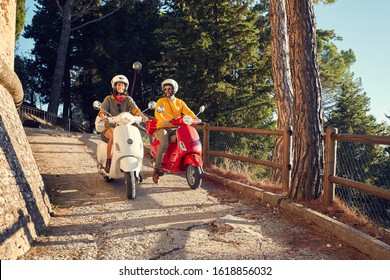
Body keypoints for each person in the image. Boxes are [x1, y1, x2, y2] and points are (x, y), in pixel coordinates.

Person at [99, 74, 148, 173]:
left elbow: (134, 108)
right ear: (114, 86)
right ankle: (108, 161)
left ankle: (137, 168)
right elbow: (102, 110)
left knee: (136, 137)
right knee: (114, 135)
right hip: (111, 127)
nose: (120, 87)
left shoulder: (128, 99)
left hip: (126, 127)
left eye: (122, 85)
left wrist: (140, 114)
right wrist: (103, 116)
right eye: (118, 85)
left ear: (125, 87)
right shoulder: (108, 99)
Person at [153, 78, 197, 184]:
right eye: (166, 89)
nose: (167, 90)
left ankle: (178, 161)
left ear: (174, 90)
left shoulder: (179, 102)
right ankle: (156, 170)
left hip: (176, 128)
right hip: (163, 128)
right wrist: (164, 120)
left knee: (186, 139)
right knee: (164, 143)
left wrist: (195, 118)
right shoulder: (161, 101)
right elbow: (158, 112)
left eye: (169, 88)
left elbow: (188, 111)